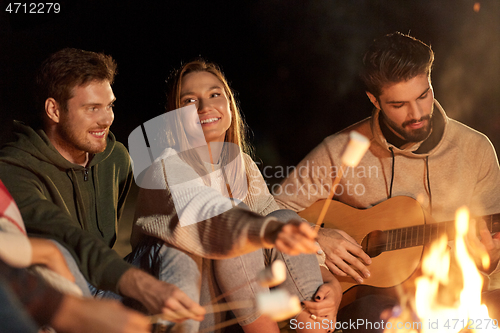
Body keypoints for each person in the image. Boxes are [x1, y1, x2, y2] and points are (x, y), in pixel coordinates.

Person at [274, 32, 500, 331]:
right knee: (377, 316)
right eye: (399, 104)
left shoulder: (475, 149)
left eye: (423, 95)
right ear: (374, 100)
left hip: (452, 296)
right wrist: (317, 237)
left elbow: (491, 257)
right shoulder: (342, 149)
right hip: (371, 305)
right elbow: (270, 212)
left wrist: (490, 258)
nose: (417, 113)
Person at [130, 60, 342, 333]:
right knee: (236, 226)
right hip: (184, 308)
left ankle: (315, 325)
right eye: (189, 101)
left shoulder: (243, 166)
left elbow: (277, 224)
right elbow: (212, 219)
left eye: (214, 94)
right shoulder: (166, 168)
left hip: (234, 304)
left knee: (285, 219)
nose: (205, 107)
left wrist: (331, 284)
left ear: (229, 104)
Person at [0, 48, 205, 321]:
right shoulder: (14, 168)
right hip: (60, 295)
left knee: (172, 248)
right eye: (92, 108)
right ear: (54, 110)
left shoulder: (117, 159)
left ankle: (179, 326)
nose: (107, 119)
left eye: (109, 105)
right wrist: (142, 286)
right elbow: (68, 239)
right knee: (59, 250)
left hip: (108, 282)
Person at [0, 179, 151, 333]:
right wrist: (69, 310)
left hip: (68, 290)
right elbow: (67, 236)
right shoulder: (16, 164)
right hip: (43, 298)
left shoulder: (116, 160)